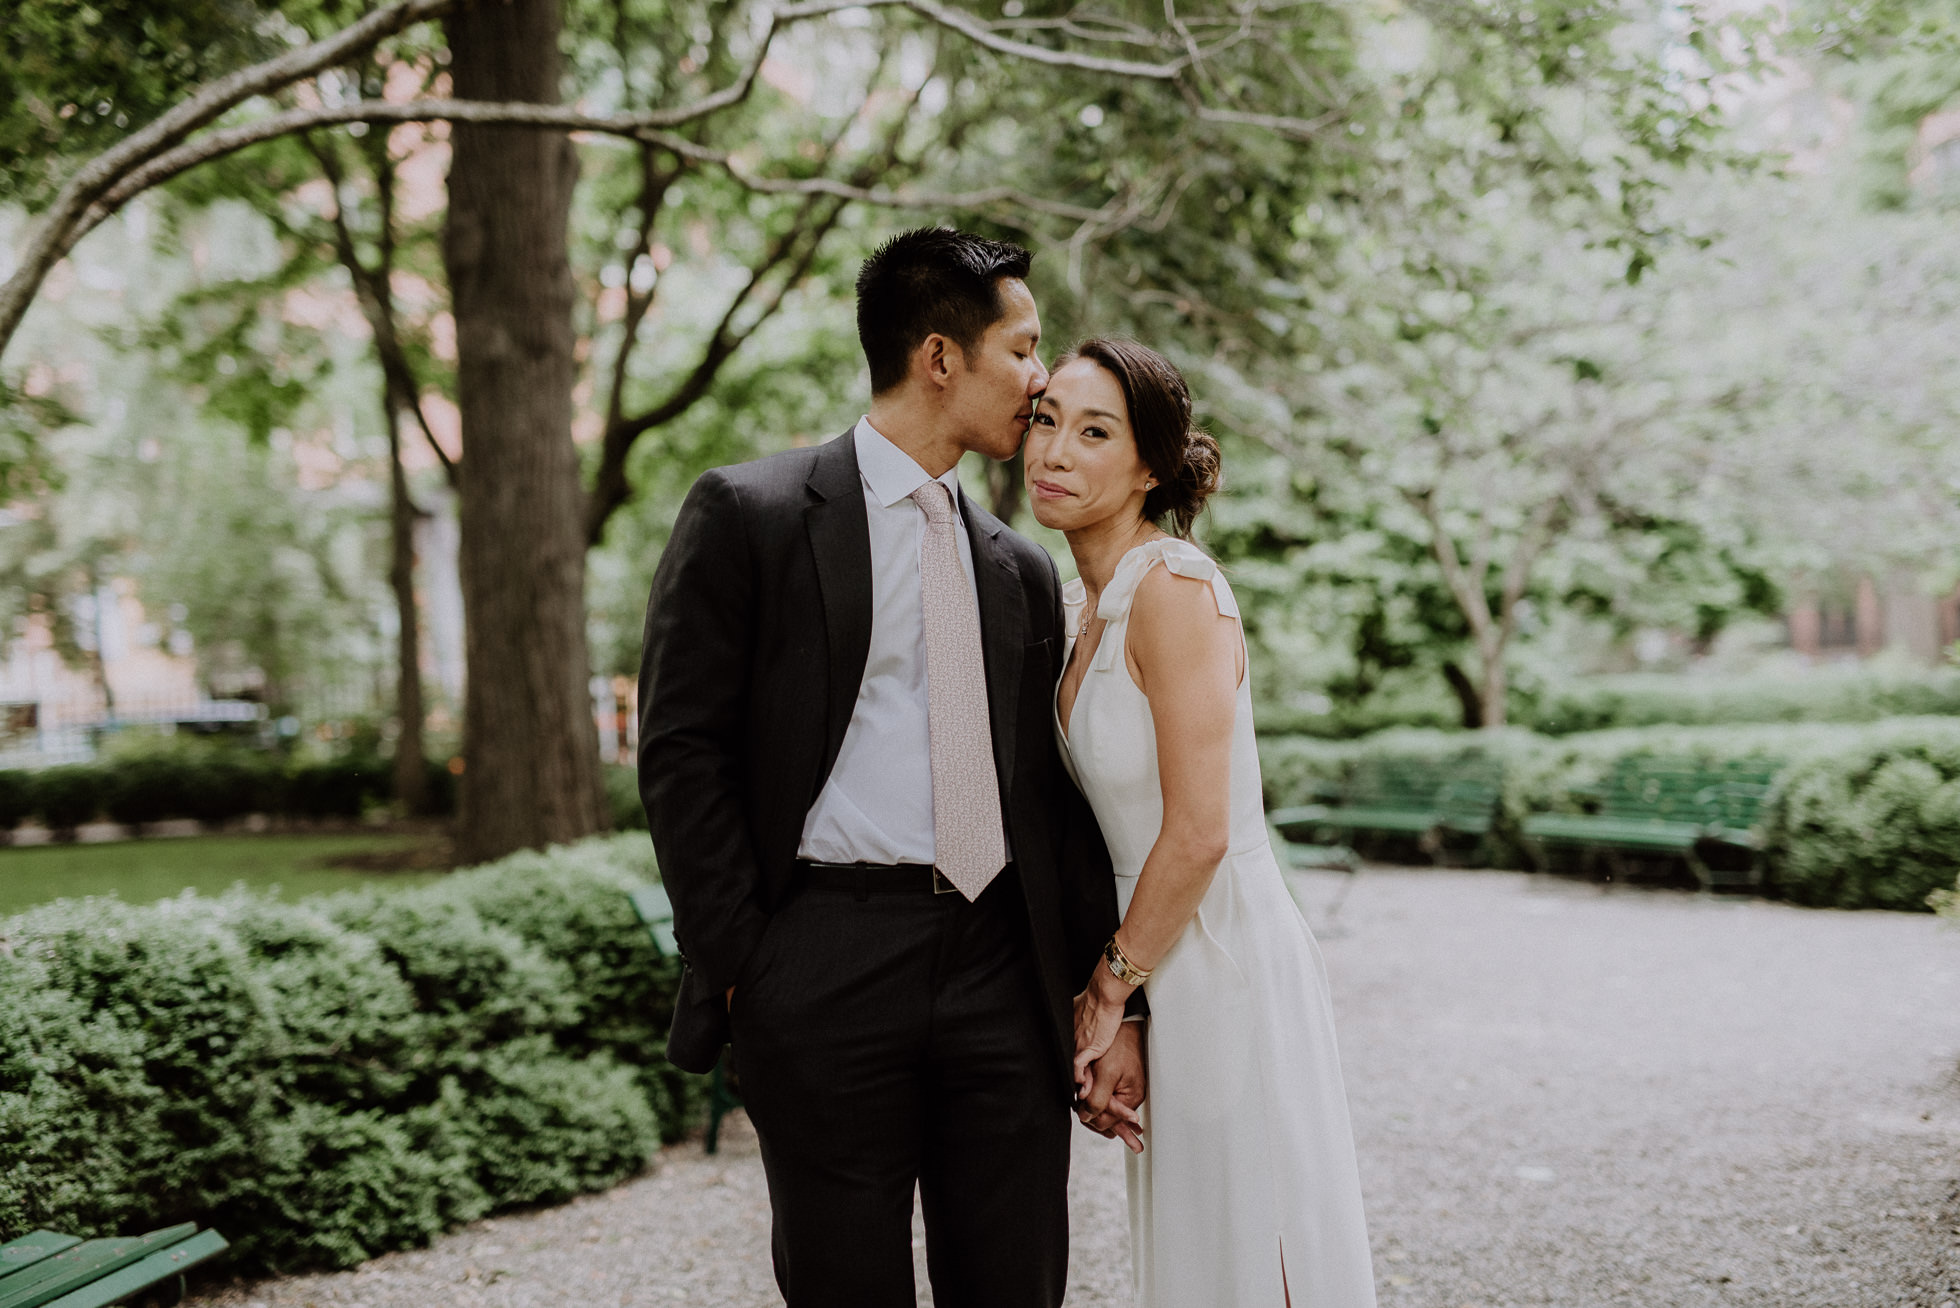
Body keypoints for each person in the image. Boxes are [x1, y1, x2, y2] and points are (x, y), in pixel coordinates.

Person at [636, 228, 1144, 1308]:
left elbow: (1048, 797)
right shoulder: (752, 514)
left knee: (1013, 1283)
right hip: (820, 961)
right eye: (1024, 348)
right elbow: (681, 751)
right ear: (939, 358)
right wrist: (744, 967)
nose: (1042, 378)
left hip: (1000, 969)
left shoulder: (1017, 567)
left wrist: (1096, 989)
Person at [1029, 338, 1378, 1307]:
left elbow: (1198, 832)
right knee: (1191, 1257)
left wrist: (1106, 991)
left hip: (1222, 955)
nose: (1054, 451)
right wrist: (1131, 1012)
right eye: (1047, 419)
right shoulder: (1070, 606)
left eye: (1094, 432)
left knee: (1256, 1248)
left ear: (1148, 465)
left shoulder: (1175, 588)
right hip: (1155, 959)